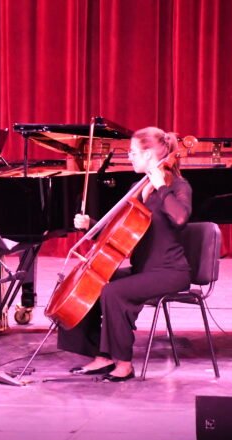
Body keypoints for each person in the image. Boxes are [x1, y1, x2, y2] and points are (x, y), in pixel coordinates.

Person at [58, 127, 192, 382]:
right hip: (144, 270)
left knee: (114, 292)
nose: (129, 157)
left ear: (149, 154)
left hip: (170, 272)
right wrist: (90, 225)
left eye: (133, 152)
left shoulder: (178, 186)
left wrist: (161, 187)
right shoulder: (136, 187)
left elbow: (180, 218)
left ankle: (124, 364)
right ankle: (102, 355)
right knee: (91, 284)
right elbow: (120, 230)